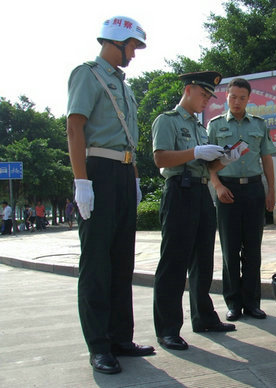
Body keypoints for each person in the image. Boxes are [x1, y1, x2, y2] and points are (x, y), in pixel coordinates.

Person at [66, 16, 153, 375]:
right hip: (98, 172)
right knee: (98, 261)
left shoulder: (124, 85)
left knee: (122, 260)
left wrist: (132, 177)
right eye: (132, 46)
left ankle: (120, 338)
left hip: (122, 172)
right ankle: (99, 345)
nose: (134, 53)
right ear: (116, 41)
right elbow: (75, 126)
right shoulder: (87, 74)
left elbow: (127, 140)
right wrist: (81, 181)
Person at [152, 71, 238, 351]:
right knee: (174, 262)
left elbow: (207, 166)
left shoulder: (200, 129)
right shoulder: (167, 121)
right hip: (179, 190)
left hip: (202, 192)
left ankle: (204, 317)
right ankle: (167, 329)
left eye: (210, 97)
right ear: (188, 90)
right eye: (204, 95)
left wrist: (225, 159)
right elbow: (161, 157)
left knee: (203, 260)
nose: (206, 101)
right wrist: (196, 152)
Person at [208, 77, 276, 322]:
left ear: (249, 99)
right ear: (226, 97)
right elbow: (208, 163)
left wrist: (271, 190)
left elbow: (267, 157)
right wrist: (217, 186)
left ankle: (252, 303)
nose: (237, 101)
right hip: (227, 190)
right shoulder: (215, 125)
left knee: (252, 250)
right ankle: (233, 304)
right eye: (233, 97)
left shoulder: (259, 124)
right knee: (230, 249)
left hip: (254, 190)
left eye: (242, 97)